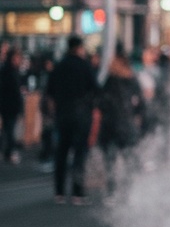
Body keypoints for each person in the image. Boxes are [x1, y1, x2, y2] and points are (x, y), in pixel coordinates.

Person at [46, 35, 99, 204]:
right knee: (79, 154)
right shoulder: (84, 66)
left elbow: (50, 91)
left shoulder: (59, 66)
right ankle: (77, 192)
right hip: (81, 115)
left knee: (61, 152)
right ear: (79, 48)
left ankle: (59, 192)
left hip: (63, 114)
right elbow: (95, 89)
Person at [98, 44, 145, 193]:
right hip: (127, 125)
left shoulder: (109, 81)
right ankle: (129, 190)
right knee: (129, 160)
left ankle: (112, 191)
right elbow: (141, 103)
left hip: (109, 125)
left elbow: (101, 102)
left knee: (110, 162)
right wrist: (137, 116)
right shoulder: (132, 80)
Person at [0, 46, 24, 163]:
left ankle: (7, 151)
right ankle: (10, 152)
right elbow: (14, 90)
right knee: (10, 129)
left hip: (6, 104)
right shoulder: (11, 71)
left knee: (7, 128)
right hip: (10, 104)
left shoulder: (6, 70)